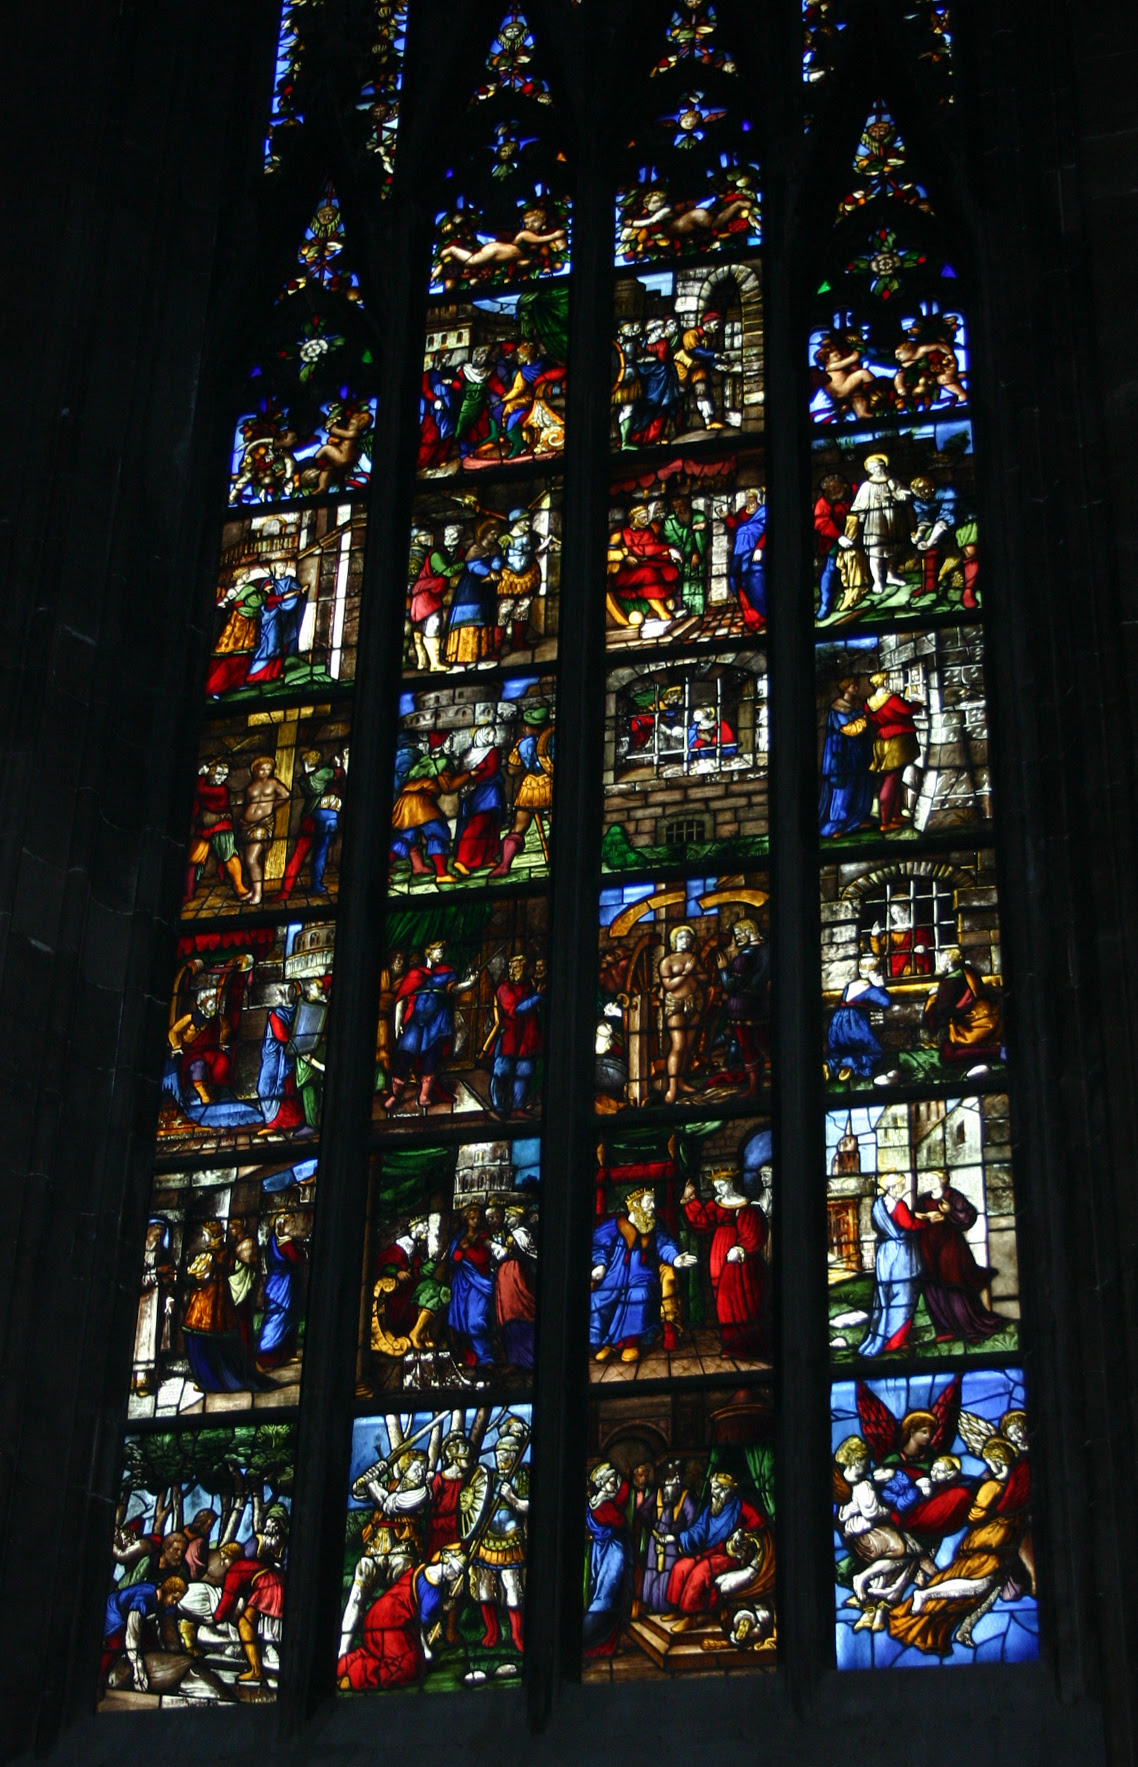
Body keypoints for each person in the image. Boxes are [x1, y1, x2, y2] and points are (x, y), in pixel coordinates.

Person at [888, 1436, 1031, 1654]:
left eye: (995, 1461)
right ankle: (925, 1594)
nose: (994, 1465)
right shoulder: (992, 1486)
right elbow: (974, 1516)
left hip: (1000, 1542)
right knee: (980, 1584)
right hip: (986, 1542)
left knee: (976, 1594)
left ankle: (950, 1628)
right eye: (992, 1462)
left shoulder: (1005, 1485)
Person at [589, 1184, 697, 1363]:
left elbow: (665, 1244)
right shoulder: (614, 1226)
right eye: (649, 1202)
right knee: (596, 1299)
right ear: (636, 1205)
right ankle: (603, 1344)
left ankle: (630, 1343)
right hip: (615, 1274)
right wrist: (600, 1265)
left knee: (639, 1295)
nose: (653, 1207)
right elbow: (599, 1246)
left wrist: (675, 1258)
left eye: (653, 1202)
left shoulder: (656, 1225)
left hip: (643, 1275)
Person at [337, 1548, 468, 1691]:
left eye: (459, 1572)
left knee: (377, 1653)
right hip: (390, 1621)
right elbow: (422, 1620)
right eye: (457, 1571)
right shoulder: (433, 1590)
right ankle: (355, 1676)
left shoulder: (422, 1569)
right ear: (448, 1565)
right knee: (410, 1666)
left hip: (378, 1616)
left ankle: (343, 1665)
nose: (456, 1576)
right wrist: (444, 1607)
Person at [833, 1437, 927, 1625]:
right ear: (856, 1460)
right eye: (865, 1460)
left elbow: (844, 1519)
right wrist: (888, 1510)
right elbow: (873, 1514)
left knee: (900, 1561)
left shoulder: (841, 1486)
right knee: (909, 1554)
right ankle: (866, 1582)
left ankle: (875, 1608)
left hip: (857, 1542)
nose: (868, 1465)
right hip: (871, 1538)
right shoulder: (863, 1486)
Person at [380, 938, 478, 1112]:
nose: (441, 954)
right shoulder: (415, 973)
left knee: (431, 1057)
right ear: (428, 952)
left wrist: (469, 983)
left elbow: (454, 989)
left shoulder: (447, 972)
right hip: (415, 1021)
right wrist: (398, 1022)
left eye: (443, 951)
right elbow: (402, 998)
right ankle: (395, 1095)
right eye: (438, 950)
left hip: (437, 1022)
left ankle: (424, 1095)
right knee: (404, 1057)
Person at [680, 1169, 769, 1359]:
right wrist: (689, 1199)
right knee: (721, 1297)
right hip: (718, 1252)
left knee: (741, 1293)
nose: (719, 1189)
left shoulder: (747, 1206)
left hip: (739, 1254)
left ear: (730, 1184)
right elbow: (700, 1220)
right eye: (716, 1186)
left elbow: (755, 1231)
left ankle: (744, 1340)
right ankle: (730, 1339)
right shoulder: (716, 1204)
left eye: (721, 1185)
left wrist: (741, 1248)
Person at [914, 1170, 1007, 1344]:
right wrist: (924, 1218)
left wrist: (949, 1212)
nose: (928, 1180)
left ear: (942, 1179)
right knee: (933, 1287)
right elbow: (915, 1219)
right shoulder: (922, 1200)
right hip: (929, 1249)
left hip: (950, 1248)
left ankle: (968, 1328)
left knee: (955, 1285)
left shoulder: (953, 1196)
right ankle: (944, 1329)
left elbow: (968, 1217)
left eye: (932, 1178)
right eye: (926, 1178)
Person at [664, 1472, 764, 1629]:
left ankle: (691, 1617)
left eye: (715, 1488)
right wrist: (676, 1538)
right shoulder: (711, 1509)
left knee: (700, 1573)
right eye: (712, 1487)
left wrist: (743, 1531)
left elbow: (759, 1522)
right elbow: (698, 1530)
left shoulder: (740, 1506)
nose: (712, 1492)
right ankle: (678, 1609)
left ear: (726, 1490)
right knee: (680, 1567)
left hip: (730, 1555)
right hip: (710, 1551)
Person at [468, 1418, 529, 1656]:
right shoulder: (489, 1478)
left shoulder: (522, 1477)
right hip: (487, 1538)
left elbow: (528, 1506)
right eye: (499, 1454)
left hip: (511, 1539)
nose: (501, 1459)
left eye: (506, 1455)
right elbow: (475, 1505)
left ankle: (517, 1635)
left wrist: (512, 1498)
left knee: (512, 1585)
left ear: (515, 1455)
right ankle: (491, 1631)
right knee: (485, 1586)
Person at [181, 1219, 256, 1393]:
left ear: (211, 1236)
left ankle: (208, 1381)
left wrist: (182, 1277)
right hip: (222, 1298)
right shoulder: (227, 1253)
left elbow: (199, 1278)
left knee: (201, 1337)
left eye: (205, 1234)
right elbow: (232, 1269)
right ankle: (222, 1378)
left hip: (205, 1302)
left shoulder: (209, 1256)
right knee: (220, 1337)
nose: (203, 1237)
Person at [857, 1173, 923, 1357]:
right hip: (900, 1254)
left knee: (885, 1295)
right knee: (904, 1294)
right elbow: (910, 1226)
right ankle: (895, 1341)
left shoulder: (878, 1205)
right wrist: (927, 1221)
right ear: (893, 1186)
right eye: (901, 1184)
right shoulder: (899, 1205)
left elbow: (880, 1226)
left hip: (884, 1253)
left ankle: (880, 1336)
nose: (903, 1187)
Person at [490, 704, 554, 877]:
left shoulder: (522, 744)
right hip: (550, 785)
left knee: (517, 828)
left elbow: (513, 770)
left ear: (529, 727)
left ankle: (504, 865)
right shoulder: (553, 739)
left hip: (529, 787)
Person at [277, 746, 346, 900]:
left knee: (299, 854)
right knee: (320, 853)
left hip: (309, 819)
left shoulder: (303, 780)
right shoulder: (324, 773)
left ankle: (286, 890)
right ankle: (315, 886)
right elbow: (340, 774)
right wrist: (338, 765)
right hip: (327, 816)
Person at [839, 454, 912, 597]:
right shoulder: (866, 486)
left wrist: (894, 495)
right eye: (871, 468)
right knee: (875, 552)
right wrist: (857, 519)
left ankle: (891, 575)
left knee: (892, 550)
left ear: (883, 466)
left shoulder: (892, 482)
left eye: (876, 467)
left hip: (892, 519)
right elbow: (858, 505)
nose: (874, 470)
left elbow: (905, 497)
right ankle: (878, 581)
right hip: (874, 521)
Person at [921, 946, 1003, 1071]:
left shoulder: (950, 981)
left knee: (948, 1054)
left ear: (948, 963)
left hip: (971, 1026)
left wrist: (933, 997)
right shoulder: (968, 972)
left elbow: (944, 1009)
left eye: (942, 960)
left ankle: (997, 1052)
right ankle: (997, 1052)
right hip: (989, 1017)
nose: (939, 962)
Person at [389, 733, 458, 883]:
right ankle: (441, 873)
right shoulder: (440, 761)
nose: (451, 743)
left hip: (404, 803)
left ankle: (414, 866)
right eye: (448, 740)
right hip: (421, 802)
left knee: (407, 836)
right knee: (437, 832)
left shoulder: (420, 760)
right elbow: (448, 785)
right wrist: (469, 775)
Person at [486, 953, 544, 1117]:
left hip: (527, 1037)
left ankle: (518, 1108)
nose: (512, 971)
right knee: (501, 1073)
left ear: (525, 969)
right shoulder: (504, 989)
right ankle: (498, 1107)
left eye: (516, 968)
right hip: (509, 1038)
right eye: (510, 968)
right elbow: (516, 1009)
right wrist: (538, 996)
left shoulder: (531, 986)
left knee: (523, 1073)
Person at [583, 1463, 632, 1655]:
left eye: (617, 1480)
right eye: (612, 1481)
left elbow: (623, 1493)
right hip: (612, 1552)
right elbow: (619, 1520)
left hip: (604, 1550)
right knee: (607, 1595)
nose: (616, 1484)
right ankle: (591, 1641)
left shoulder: (598, 1501)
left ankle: (606, 1645)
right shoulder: (605, 1506)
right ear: (603, 1483)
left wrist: (624, 1475)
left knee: (609, 1594)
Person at [606, 502, 683, 626]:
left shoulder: (648, 532)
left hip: (647, 565)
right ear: (634, 518)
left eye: (647, 516)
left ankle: (658, 605)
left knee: (670, 571)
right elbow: (609, 553)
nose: (646, 520)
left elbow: (653, 551)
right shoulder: (620, 533)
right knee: (648, 574)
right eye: (643, 517)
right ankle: (663, 613)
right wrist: (625, 556)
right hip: (625, 573)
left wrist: (669, 553)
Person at [185, 760, 251, 905]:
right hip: (203, 829)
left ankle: (240, 888)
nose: (222, 777)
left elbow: (201, 790)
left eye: (225, 775)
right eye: (219, 773)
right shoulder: (204, 785)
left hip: (221, 828)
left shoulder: (222, 790)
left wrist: (201, 776)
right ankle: (188, 893)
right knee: (194, 859)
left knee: (229, 856)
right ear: (211, 772)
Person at [718, 917, 770, 1098]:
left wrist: (723, 969)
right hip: (760, 1004)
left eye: (739, 933)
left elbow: (731, 986)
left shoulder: (746, 956)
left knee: (748, 1045)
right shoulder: (768, 949)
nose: (737, 937)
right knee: (766, 1042)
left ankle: (754, 1087)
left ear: (749, 931)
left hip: (742, 1008)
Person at [865, 672, 921, 832]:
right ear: (884, 682)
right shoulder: (892, 699)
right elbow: (907, 710)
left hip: (881, 741)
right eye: (888, 679)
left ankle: (894, 815)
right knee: (891, 778)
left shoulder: (869, 703)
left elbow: (874, 722)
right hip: (897, 741)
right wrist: (918, 702)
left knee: (894, 778)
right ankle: (885, 821)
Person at [657, 924, 706, 1105]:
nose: (685, 940)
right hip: (675, 1005)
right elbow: (669, 985)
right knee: (678, 1045)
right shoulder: (667, 962)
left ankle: (681, 1081)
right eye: (681, 937)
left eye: (688, 937)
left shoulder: (693, 957)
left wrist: (696, 971)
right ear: (674, 941)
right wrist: (686, 972)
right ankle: (671, 1088)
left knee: (688, 1046)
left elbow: (705, 978)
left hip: (694, 1002)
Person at [819, 678, 874, 837]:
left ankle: (857, 818)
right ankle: (836, 824)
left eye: (856, 685)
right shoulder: (838, 707)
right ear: (845, 688)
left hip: (858, 752)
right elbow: (847, 729)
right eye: (852, 685)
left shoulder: (856, 705)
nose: (856, 688)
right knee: (843, 789)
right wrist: (863, 721)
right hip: (842, 754)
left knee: (860, 785)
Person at [640, 1461, 697, 1614]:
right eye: (667, 1480)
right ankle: (651, 1608)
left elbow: (692, 1521)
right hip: (655, 1540)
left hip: (673, 1544)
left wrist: (677, 1535)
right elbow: (644, 1510)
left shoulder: (685, 1497)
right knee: (652, 1571)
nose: (667, 1487)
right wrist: (653, 1527)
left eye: (672, 1481)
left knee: (669, 1573)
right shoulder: (658, 1494)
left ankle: (665, 1609)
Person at [450, 726, 508, 875]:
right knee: (477, 824)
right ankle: (461, 860)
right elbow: (463, 771)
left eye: (493, 734)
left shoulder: (492, 751)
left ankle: (486, 857)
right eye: (488, 734)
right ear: (481, 736)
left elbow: (492, 770)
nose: (492, 737)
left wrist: (473, 779)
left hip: (489, 790)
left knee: (490, 824)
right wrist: (469, 781)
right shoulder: (469, 753)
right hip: (476, 792)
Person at [408, 524, 465, 670]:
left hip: (431, 594)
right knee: (433, 625)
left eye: (453, 535)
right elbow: (447, 571)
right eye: (447, 535)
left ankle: (423, 663)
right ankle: (434, 664)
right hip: (425, 595)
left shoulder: (457, 552)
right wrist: (465, 562)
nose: (449, 538)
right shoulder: (436, 554)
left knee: (422, 628)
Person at [256, 1210, 308, 1370]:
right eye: (290, 1221)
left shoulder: (273, 1241)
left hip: (276, 1284)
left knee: (286, 1318)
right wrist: (304, 1254)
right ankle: (265, 1355)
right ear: (282, 1224)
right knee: (279, 1318)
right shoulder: (286, 1244)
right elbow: (297, 1259)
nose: (293, 1224)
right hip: (283, 1287)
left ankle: (284, 1354)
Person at [447, 1204, 496, 1367]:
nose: (475, 1221)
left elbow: (483, 1258)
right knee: (461, 1320)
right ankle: (469, 1358)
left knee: (475, 1321)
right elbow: (453, 1259)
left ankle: (485, 1358)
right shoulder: (459, 1238)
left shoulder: (484, 1236)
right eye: (472, 1218)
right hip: (462, 1283)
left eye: (477, 1218)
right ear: (466, 1219)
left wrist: (467, 1251)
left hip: (479, 1283)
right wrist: (460, 1250)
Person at [238, 754, 290, 906]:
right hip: (247, 825)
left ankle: (258, 894)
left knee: (251, 859)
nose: (265, 772)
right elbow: (248, 804)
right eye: (262, 769)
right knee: (250, 859)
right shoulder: (250, 787)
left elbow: (286, 794)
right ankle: (253, 890)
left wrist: (271, 806)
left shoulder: (273, 783)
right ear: (255, 770)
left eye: (268, 769)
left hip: (262, 824)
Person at [826, 963, 892, 1082]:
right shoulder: (869, 988)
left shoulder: (850, 985)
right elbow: (885, 1002)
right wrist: (880, 986)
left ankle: (829, 1066)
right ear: (873, 973)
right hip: (854, 1022)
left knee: (837, 1050)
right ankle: (850, 1065)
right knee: (874, 1052)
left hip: (837, 1021)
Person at [132, 1222, 173, 1397]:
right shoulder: (137, 1254)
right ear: (147, 1235)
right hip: (141, 1306)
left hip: (157, 1303)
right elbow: (137, 1280)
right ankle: (138, 1378)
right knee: (141, 1342)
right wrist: (157, 1272)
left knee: (153, 1340)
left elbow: (171, 1277)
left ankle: (151, 1376)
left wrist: (169, 1289)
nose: (158, 1240)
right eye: (156, 1236)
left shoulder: (163, 1255)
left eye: (161, 1237)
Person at [493, 1205, 538, 1369]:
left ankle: (524, 1360)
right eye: (505, 1216)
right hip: (509, 1277)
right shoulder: (516, 1235)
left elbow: (503, 1255)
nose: (506, 1219)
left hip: (515, 1277)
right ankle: (516, 1360)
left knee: (516, 1313)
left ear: (518, 1218)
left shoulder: (516, 1236)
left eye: (509, 1216)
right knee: (511, 1316)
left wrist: (490, 1244)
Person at [724, 487, 767, 631]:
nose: (749, 499)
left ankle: (761, 614)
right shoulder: (742, 512)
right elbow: (735, 527)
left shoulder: (764, 511)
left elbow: (768, 531)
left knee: (750, 579)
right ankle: (749, 615)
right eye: (747, 496)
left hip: (755, 550)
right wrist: (727, 517)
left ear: (757, 497)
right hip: (739, 550)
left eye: (751, 496)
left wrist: (759, 548)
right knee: (734, 579)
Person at [814, 473, 853, 620]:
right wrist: (839, 536)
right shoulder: (823, 503)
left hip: (857, 534)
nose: (834, 491)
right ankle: (825, 605)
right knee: (830, 568)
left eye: (836, 487)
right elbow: (821, 522)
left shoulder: (853, 490)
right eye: (830, 490)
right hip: (833, 540)